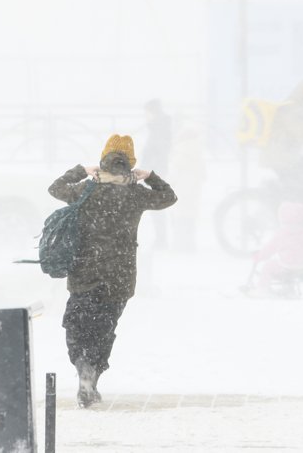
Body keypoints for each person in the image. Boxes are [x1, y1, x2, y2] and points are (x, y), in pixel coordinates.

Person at [48, 134, 177, 407]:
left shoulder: (85, 190)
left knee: (77, 325)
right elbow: (169, 197)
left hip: (84, 273)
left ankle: (83, 365)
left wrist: (81, 171)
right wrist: (150, 176)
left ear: (102, 160)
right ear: (130, 163)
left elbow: (55, 187)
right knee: (104, 329)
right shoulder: (135, 193)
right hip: (119, 277)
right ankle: (92, 376)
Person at [247, 201, 303, 297]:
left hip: (286, 267)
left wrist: (259, 256)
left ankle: (262, 289)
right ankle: (289, 288)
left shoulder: (281, 234)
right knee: (290, 264)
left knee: (268, 266)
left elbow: (269, 250)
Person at [141, 99, 173, 249]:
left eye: (147, 112)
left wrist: (149, 166)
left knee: (157, 206)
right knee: (156, 206)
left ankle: (161, 239)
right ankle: (161, 239)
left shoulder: (160, 128)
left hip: (156, 171)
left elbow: (158, 150)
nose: (145, 116)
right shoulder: (159, 127)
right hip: (154, 171)